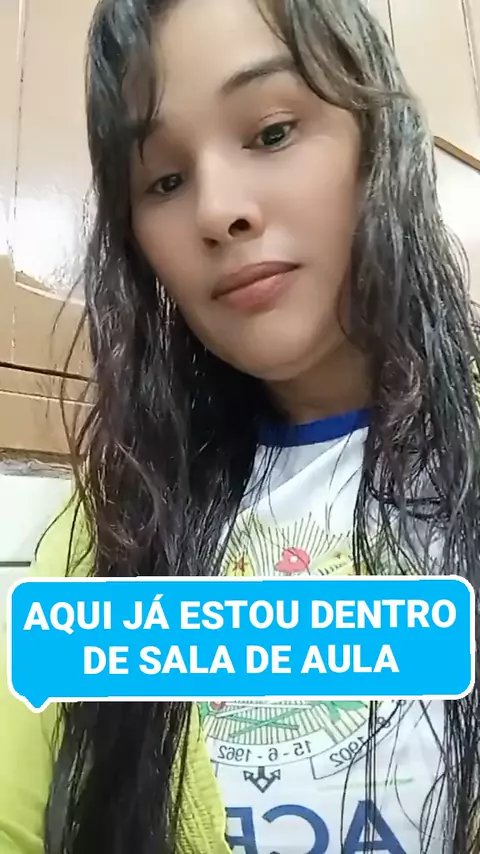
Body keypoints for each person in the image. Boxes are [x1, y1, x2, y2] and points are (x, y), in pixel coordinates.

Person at [0, 0, 479, 851]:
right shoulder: (104, 538)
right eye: (164, 180)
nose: (218, 211)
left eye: (272, 132)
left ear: (380, 140)